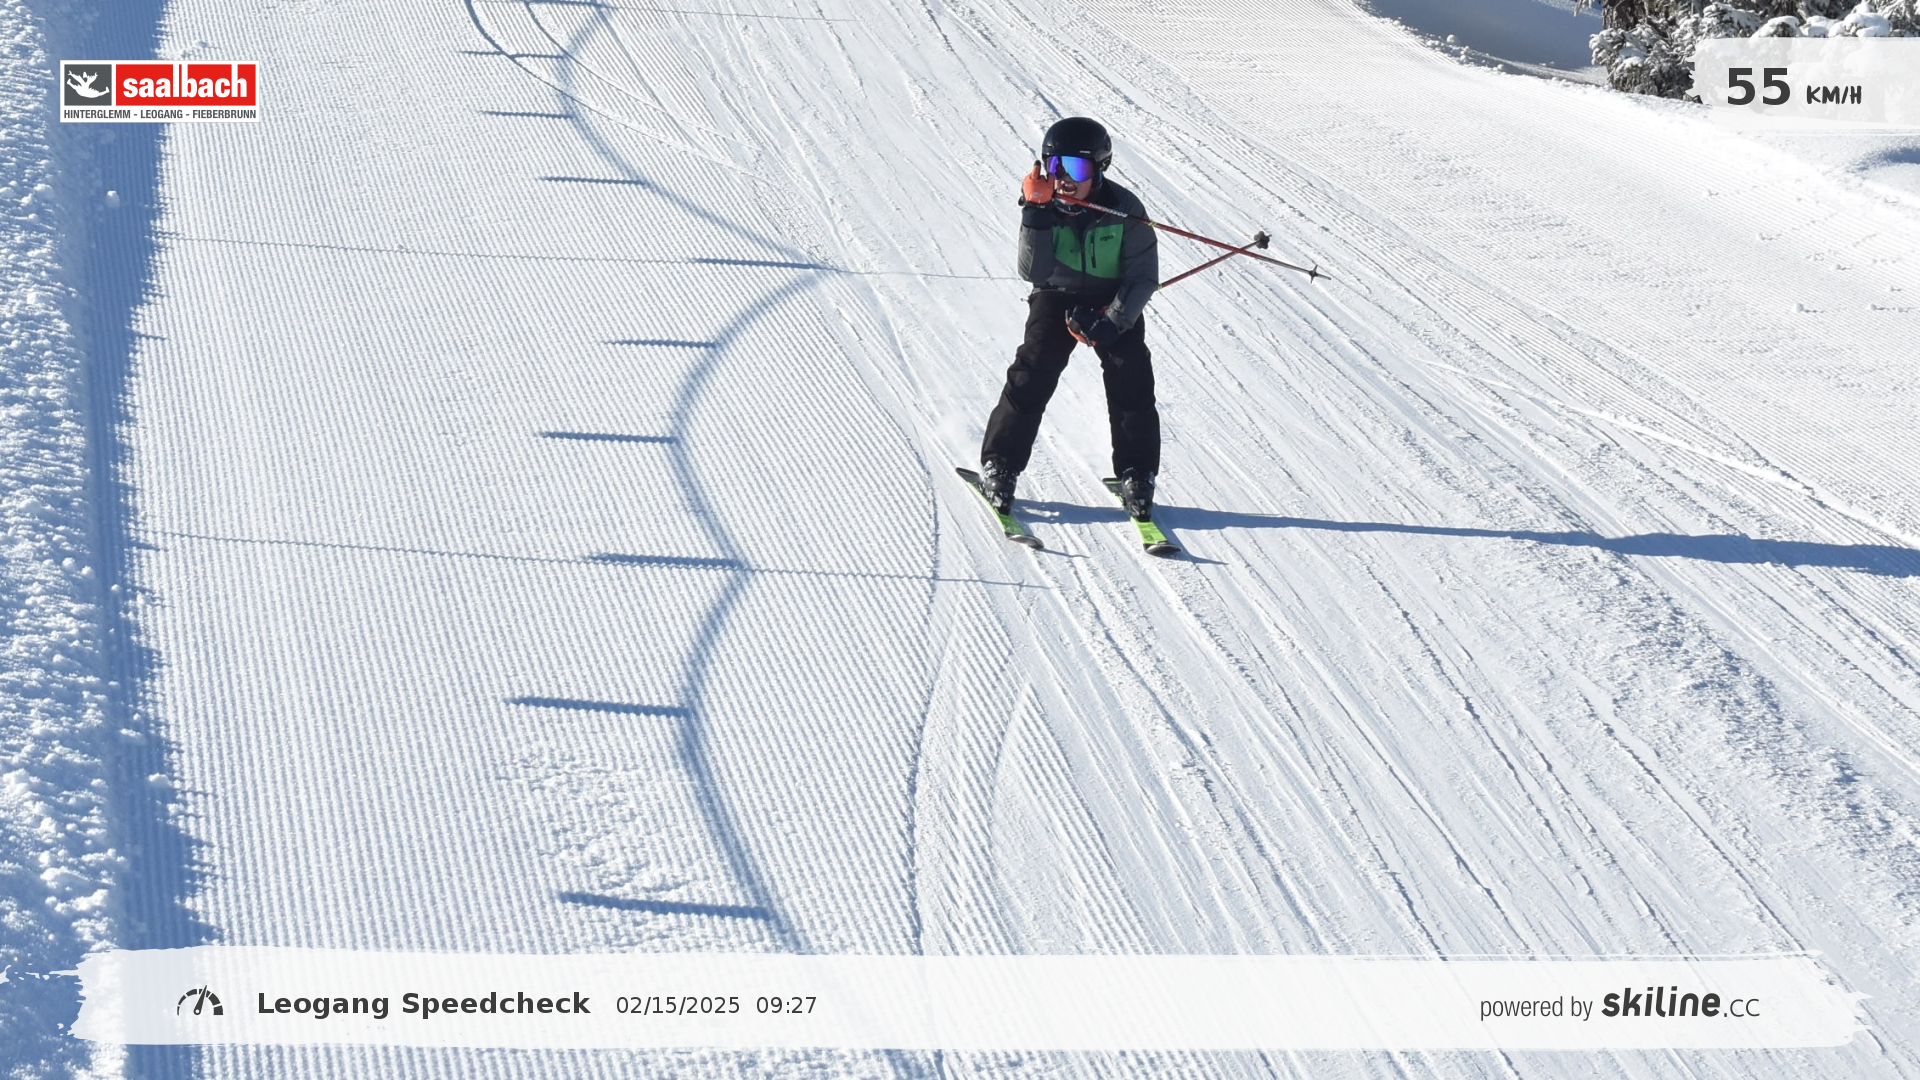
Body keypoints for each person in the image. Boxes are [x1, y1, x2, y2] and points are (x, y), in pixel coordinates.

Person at [977, 117, 1161, 520]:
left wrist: (1113, 321)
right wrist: (1036, 214)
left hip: (1113, 300)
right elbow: (1033, 271)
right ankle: (1000, 464)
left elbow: (1143, 276)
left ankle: (1137, 473)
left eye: (1075, 168)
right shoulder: (1041, 204)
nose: (1063, 178)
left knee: (1131, 375)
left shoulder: (1125, 209)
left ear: (1099, 168)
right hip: (1055, 293)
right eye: (1055, 166)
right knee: (1033, 369)